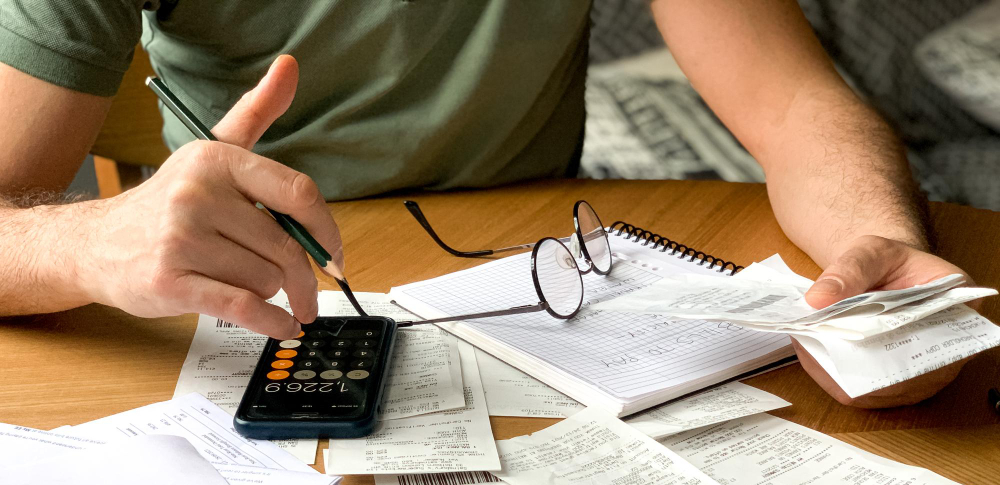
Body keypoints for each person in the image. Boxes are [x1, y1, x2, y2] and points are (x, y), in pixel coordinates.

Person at [0, 0, 978, 408]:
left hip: (548, 306)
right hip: (252, 308)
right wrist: (92, 239)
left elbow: (793, 98)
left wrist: (873, 253)